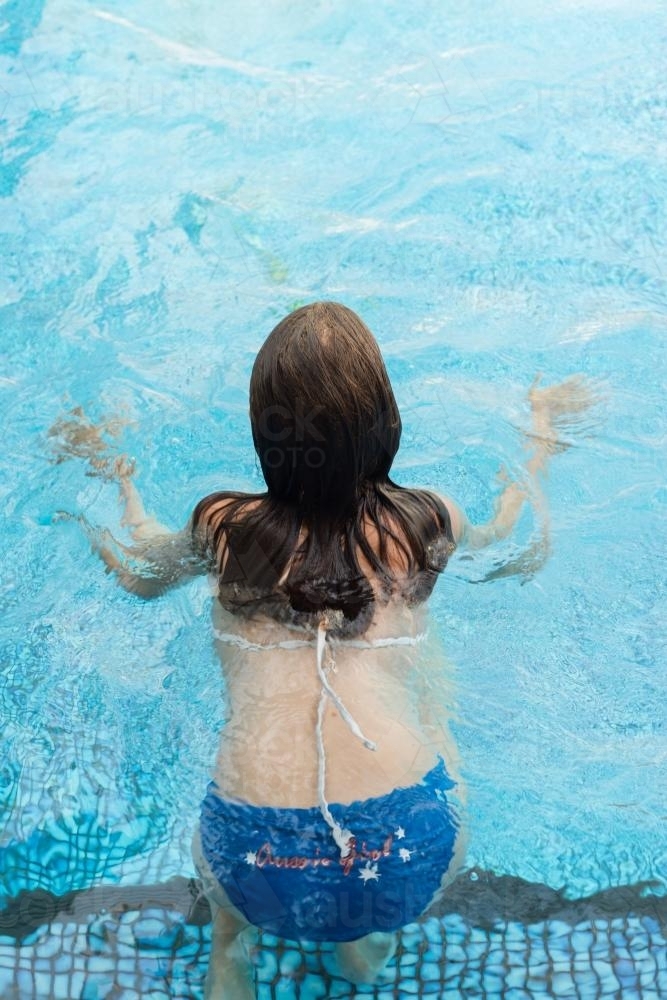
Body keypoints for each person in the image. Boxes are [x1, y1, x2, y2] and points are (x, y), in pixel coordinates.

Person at [50, 302, 594, 999]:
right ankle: (367, 944)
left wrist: (110, 474)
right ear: (383, 422)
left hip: (252, 859)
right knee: (429, 683)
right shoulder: (427, 519)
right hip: (406, 854)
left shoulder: (225, 529)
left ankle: (228, 945)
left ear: (265, 435)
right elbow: (506, 539)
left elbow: (139, 574)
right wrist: (541, 443)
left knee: (237, 850)